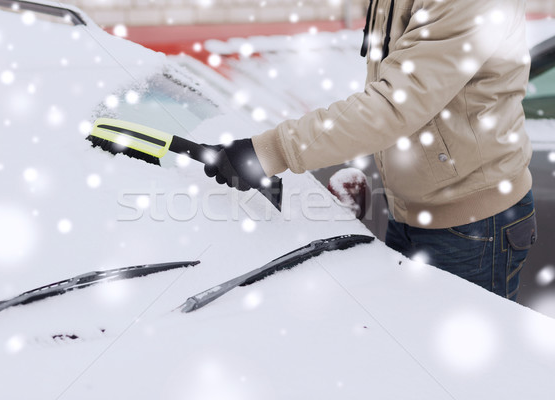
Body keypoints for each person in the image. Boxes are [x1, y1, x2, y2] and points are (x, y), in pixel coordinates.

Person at [203, 0, 537, 301]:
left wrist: (272, 151)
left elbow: (395, 105)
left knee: (454, 363)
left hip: (473, 226)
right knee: (407, 353)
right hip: (413, 210)